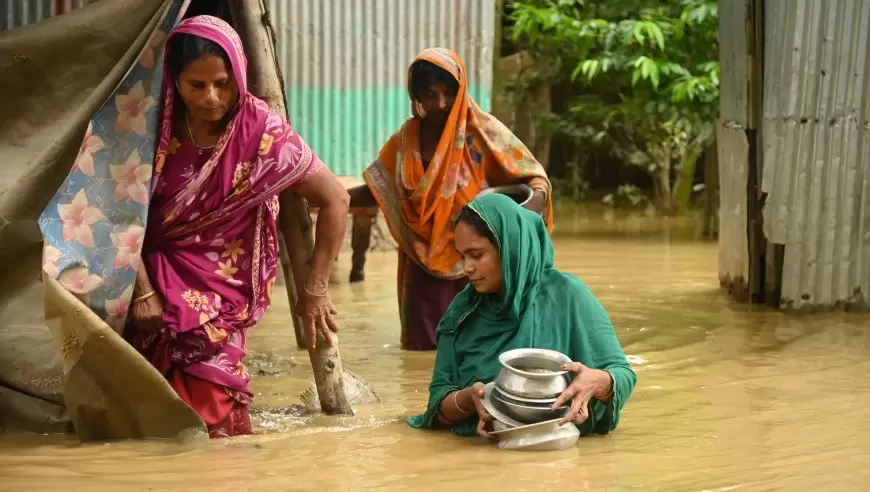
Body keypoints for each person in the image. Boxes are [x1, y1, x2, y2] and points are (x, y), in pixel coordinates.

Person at [128, 16, 349, 438]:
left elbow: (335, 199)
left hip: (219, 296)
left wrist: (316, 287)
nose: (212, 97)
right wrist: (143, 290)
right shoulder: (148, 124)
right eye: (197, 86)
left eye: (223, 83)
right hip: (145, 281)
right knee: (149, 414)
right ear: (175, 80)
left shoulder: (262, 130)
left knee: (217, 413)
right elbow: (118, 215)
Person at [348, 47, 552, 351]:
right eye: (430, 94)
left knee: (478, 349)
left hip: (477, 264)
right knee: (425, 352)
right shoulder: (406, 140)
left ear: (460, 91)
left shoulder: (483, 133)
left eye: (448, 93)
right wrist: (330, 195)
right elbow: (380, 189)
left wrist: (523, 214)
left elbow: (535, 180)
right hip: (423, 263)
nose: (440, 103)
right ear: (416, 95)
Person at [406, 194, 637, 438]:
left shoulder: (569, 296)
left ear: (510, 248)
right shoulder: (462, 313)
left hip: (562, 457)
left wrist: (598, 382)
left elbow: (623, 374)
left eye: (477, 255)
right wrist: (467, 399)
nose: (467, 268)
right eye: (462, 256)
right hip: (488, 458)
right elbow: (438, 403)